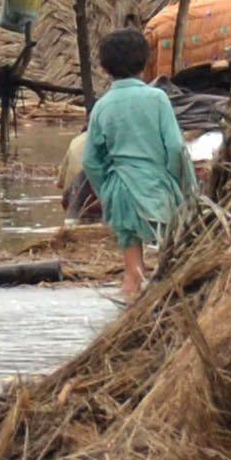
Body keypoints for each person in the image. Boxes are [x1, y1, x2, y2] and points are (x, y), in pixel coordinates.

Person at [81, 26, 191, 298]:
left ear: (105, 68)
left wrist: (106, 190)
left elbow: (90, 161)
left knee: (132, 276)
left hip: (121, 192)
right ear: (145, 61)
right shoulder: (157, 99)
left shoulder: (102, 106)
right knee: (173, 267)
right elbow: (176, 146)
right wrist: (174, 180)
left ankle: (124, 326)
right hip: (158, 189)